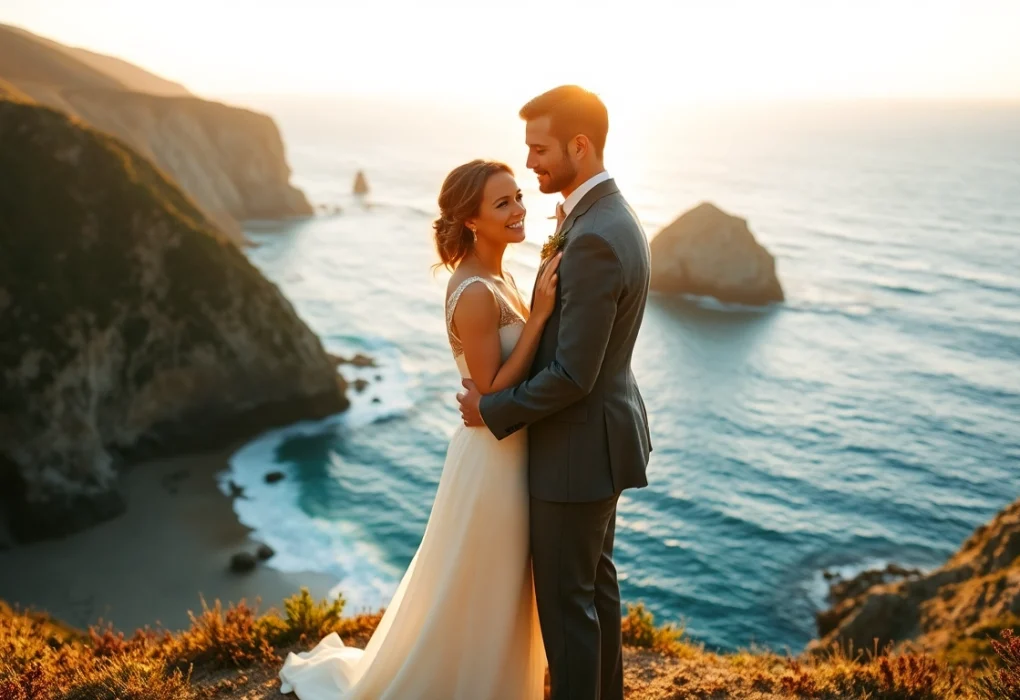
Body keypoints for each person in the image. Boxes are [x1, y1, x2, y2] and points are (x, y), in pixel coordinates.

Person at [279, 159, 559, 699]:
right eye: (502, 203)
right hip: (493, 461)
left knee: (493, 582)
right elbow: (493, 389)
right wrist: (542, 317)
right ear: (471, 220)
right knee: (488, 582)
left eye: (518, 197)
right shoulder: (476, 292)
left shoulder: (501, 277)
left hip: (509, 450)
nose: (519, 209)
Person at [457, 85, 653, 700]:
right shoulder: (605, 216)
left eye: (539, 150)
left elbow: (573, 375)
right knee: (593, 593)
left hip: (575, 453)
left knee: (569, 611)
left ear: (579, 145)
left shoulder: (592, 235)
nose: (532, 163)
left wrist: (491, 410)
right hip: (602, 441)